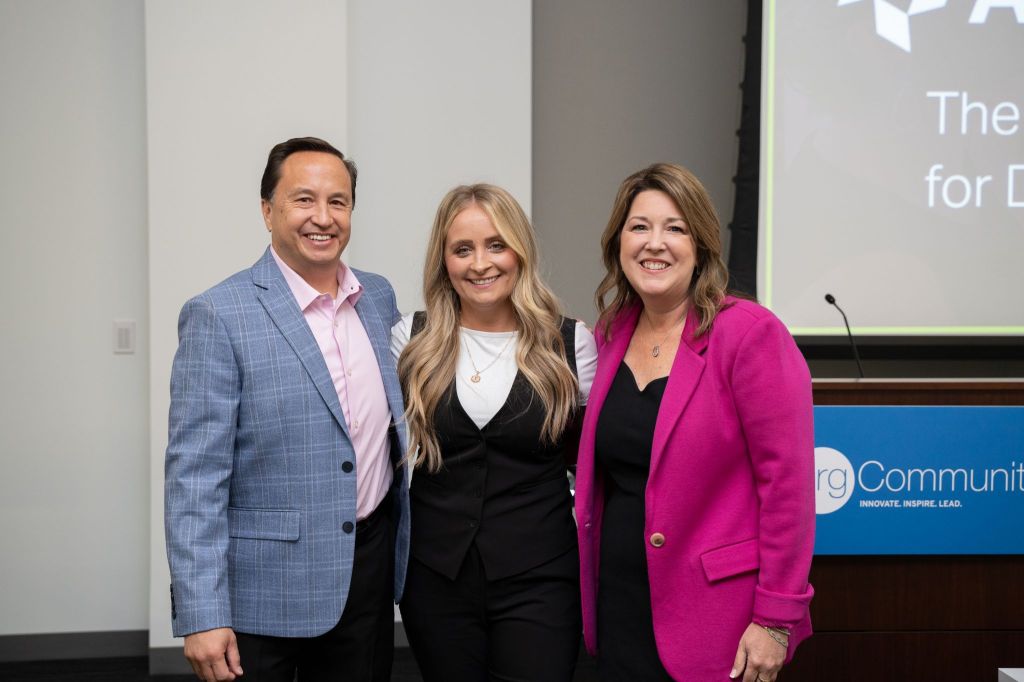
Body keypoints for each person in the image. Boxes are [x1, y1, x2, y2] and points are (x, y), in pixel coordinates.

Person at [164, 137, 410, 682]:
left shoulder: (377, 297)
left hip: (365, 578)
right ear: (267, 210)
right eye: (303, 200)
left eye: (338, 201)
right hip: (262, 594)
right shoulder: (218, 314)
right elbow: (195, 478)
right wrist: (202, 612)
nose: (323, 217)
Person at [574, 163, 815, 682]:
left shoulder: (749, 334)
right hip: (621, 605)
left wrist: (775, 620)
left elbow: (789, 489)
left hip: (718, 616)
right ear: (619, 242)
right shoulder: (610, 333)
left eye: (675, 228)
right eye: (639, 227)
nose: (654, 243)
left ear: (700, 245)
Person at [391, 184, 597, 682]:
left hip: (541, 579)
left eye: (496, 245)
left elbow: (593, 460)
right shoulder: (410, 340)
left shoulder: (571, 343)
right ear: (444, 260)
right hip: (436, 579)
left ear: (519, 251)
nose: (480, 263)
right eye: (463, 249)